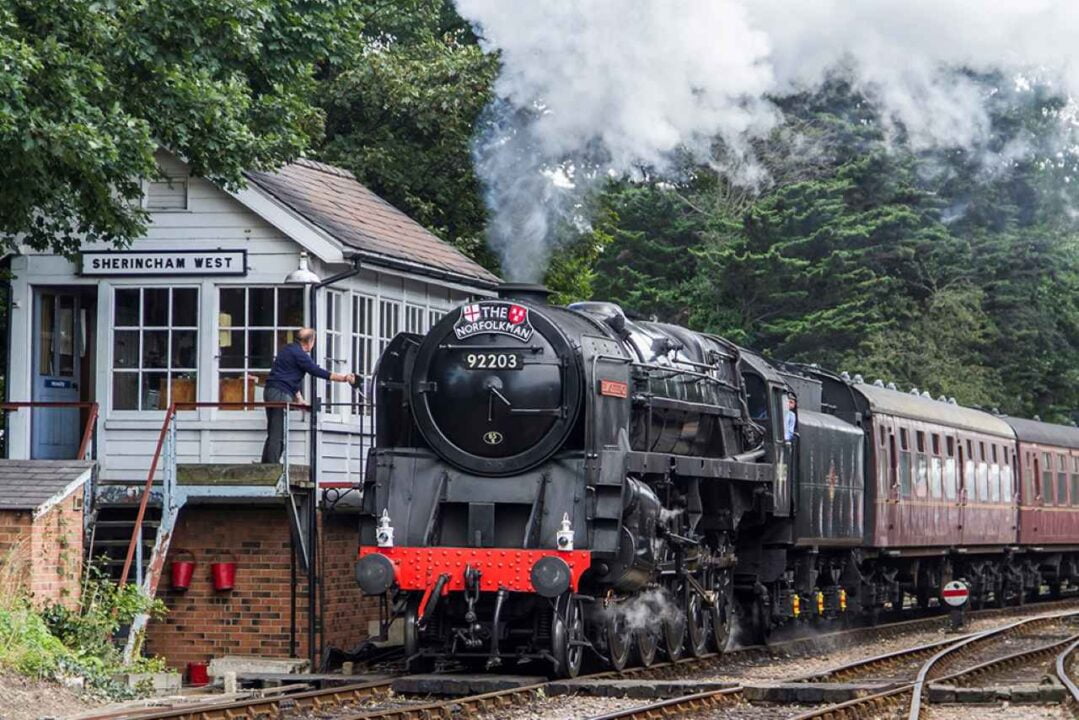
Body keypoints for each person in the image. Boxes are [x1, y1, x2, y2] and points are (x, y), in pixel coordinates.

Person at [261, 328, 354, 463]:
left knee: (274, 431)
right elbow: (316, 371)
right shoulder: (300, 355)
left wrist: (299, 399)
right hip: (280, 394)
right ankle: (271, 468)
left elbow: (290, 377)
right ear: (310, 341)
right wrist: (344, 378)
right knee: (278, 434)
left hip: (270, 391)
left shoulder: (288, 349)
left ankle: (265, 466)